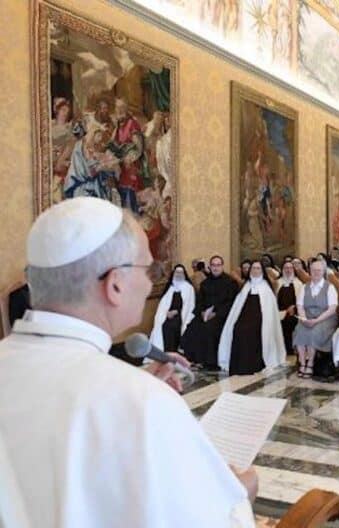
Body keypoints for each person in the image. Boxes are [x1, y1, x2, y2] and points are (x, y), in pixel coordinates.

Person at [0, 197, 259, 527]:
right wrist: (240, 494)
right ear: (115, 284)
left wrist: (133, 390)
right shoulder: (144, 401)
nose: (151, 282)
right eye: (148, 269)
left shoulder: (137, 395)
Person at [218, 261, 286, 375]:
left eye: (258, 268)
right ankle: (239, 364)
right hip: (244, 317)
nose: (255, 271)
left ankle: (253, 364)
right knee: (237, 328)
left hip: (260, 320)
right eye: (253, 268)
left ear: (262, 271)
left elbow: (269, 313)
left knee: (248, 330)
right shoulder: (246, 286)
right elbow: (237, 308)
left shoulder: (266, 288)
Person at [182, 256, 240, 369]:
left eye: (218, 265)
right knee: (192, 327)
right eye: (213, 265)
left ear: (222, 266)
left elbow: (231, 303)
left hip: (222, 316)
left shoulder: (231, 283)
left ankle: (209, 361)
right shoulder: (205, 283)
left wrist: (216, 314)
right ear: (210, 267)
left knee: (209, 328)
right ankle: (195, 359)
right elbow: (199, 302)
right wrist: (202, 313)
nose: (216, 268)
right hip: (205, 315)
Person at [293, 259, 339, 378]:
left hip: (325, 318)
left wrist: (316, 320)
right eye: (313, 270)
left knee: (314, 332)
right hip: (307, 318)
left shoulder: (330, 287)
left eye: (319, 270)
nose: (316, 273)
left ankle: (311, 363)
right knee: (300, 331)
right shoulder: (304, 287)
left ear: (323, 271)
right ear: (310, 271)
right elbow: (300, 305)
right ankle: (302, 364)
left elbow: (332, 308)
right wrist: (303, 319)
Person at [149, 264, 195, 353]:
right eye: (177, 272)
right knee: (164, 326)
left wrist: (177, 311)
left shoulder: (188, 288)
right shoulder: (170, 288)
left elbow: (189, 306)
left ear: (184, 274)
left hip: (181, 315)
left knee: (173, 326)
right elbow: (163, 305)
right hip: (169, 314)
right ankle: (166, 351)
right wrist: (166, 313)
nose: (179, 274)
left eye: (181, 272)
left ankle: (174, 351)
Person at [275, 259, 303, 355]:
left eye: (290, 268)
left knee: (290, 321)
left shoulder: (298, 283)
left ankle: (291, 349)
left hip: (294, 312)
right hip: (278, 312)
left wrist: (294, 308)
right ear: (282, 270)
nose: (288, 270)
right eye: (286, 268)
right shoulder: (277, 283)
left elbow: (301, 300)